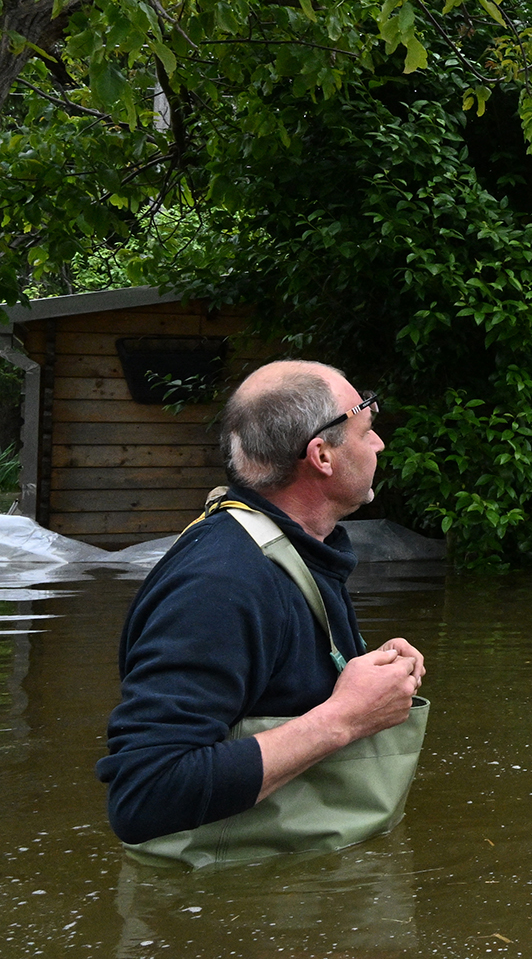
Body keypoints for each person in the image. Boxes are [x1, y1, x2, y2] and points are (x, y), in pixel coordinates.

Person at [98, 361, 426, 850]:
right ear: (321, 456)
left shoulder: (294, 548)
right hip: (214, 907)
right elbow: (144, 794)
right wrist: (342, 718)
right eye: (368, 429)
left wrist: (362, 679)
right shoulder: (219, 583)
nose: (379, 444)